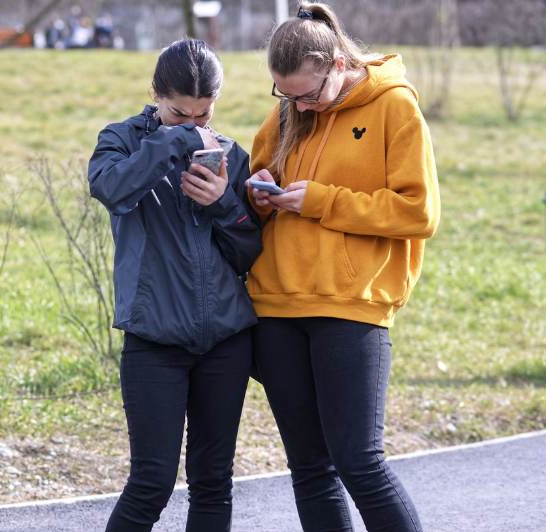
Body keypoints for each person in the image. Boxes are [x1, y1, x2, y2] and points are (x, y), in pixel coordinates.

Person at [245, 3, 440, 532]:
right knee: (309, 469)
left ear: (336, 64)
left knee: (360, 463)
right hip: (275, 306)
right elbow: (261, 177)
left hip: (352, 307)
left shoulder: (394, 105)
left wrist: (321, 200)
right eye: (285, 95)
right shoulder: (289, 111)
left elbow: (418, 212)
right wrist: (257, 195)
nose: (298, 106)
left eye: (308, 95)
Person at [88, 39, 262, 532]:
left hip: (226, 341)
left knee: (214, 483)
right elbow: (111, 189)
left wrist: (223, 204)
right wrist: (173, 142)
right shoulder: (121, 140)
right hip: (154, 340)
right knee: (151, 483)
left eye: (203, 115)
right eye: (179, 113)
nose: (193, 124)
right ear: (155, 94)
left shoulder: (230, 154)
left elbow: (249, 251)